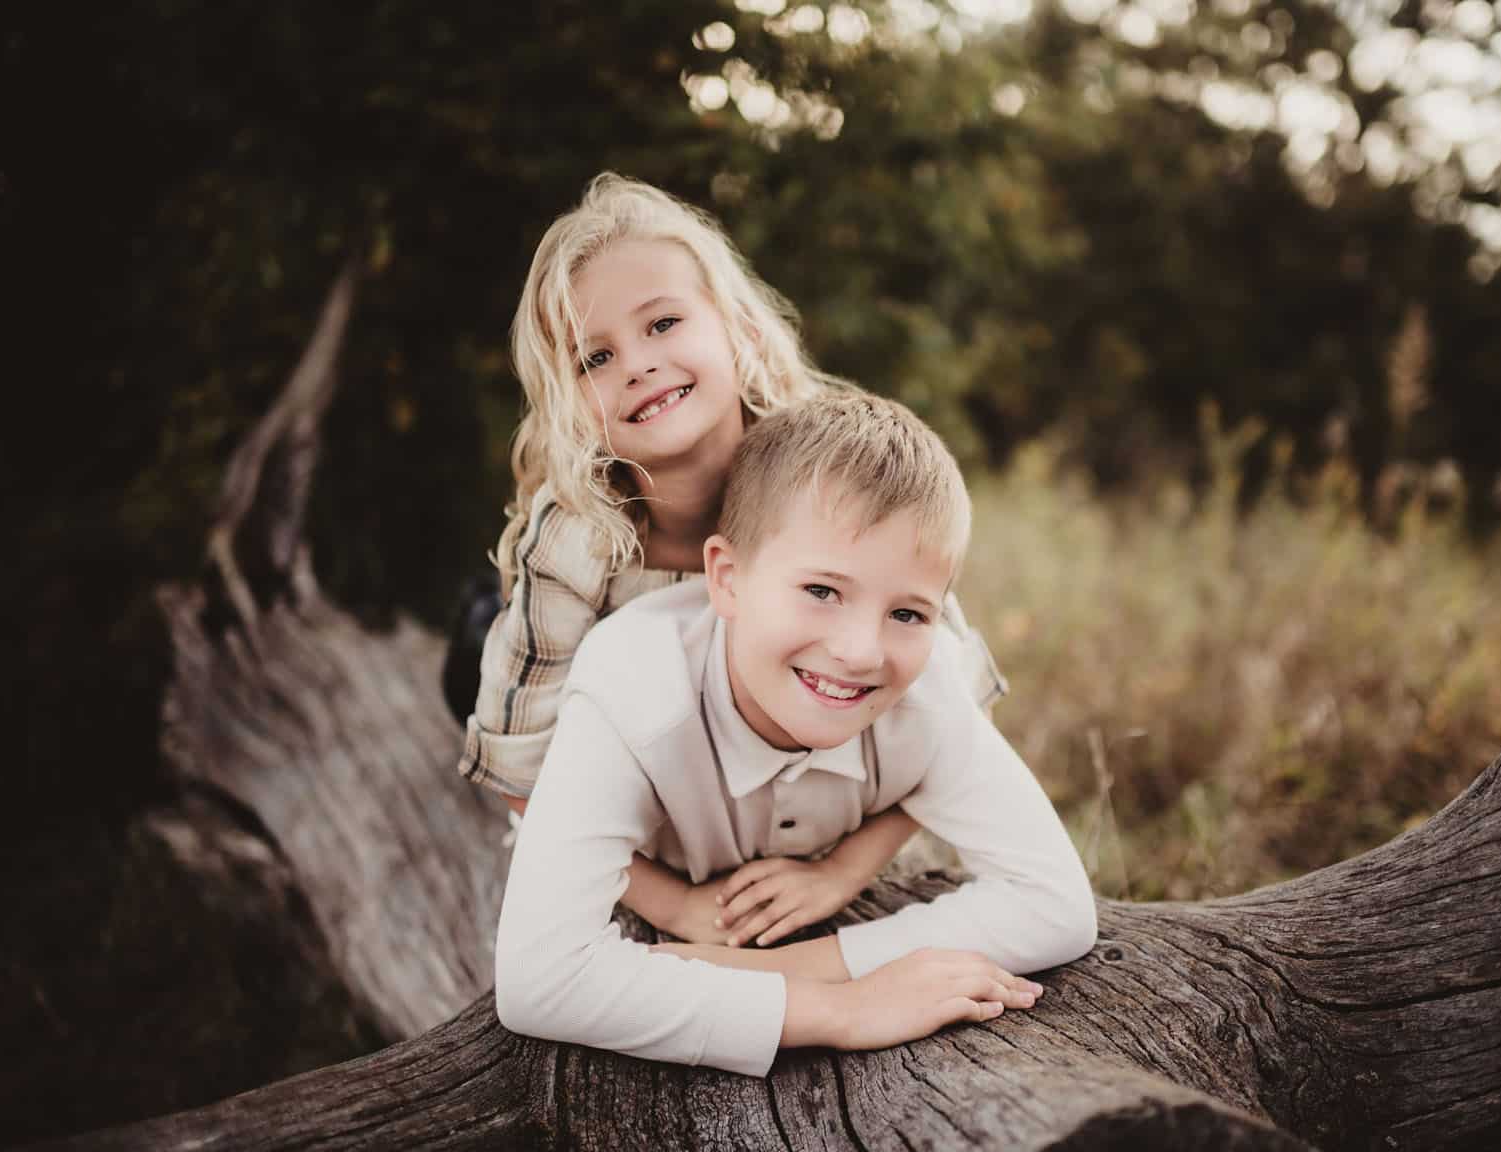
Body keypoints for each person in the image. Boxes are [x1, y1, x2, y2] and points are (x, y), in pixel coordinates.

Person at [459, 173, 1004, 946]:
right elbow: (520, 773)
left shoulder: (827, 474)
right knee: (482, 654)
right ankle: (477, 620)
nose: (639, 366)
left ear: (737, 328)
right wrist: (673, 907)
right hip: (650, 860)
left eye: (664, 324)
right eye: (595, 359)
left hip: (813, 838)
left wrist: (842, 872)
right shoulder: (576, 538)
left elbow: (960, 707)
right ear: (565, 399)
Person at [494, 390, 1098, 1074]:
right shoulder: (630, 692)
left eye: (907, 613)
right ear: (726, 578)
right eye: (822, 591)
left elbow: (1058, 905)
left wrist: (799, 962)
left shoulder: (930, 694)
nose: (861, 651)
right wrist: (842, 1009)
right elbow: (538, 979)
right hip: (541, 702)